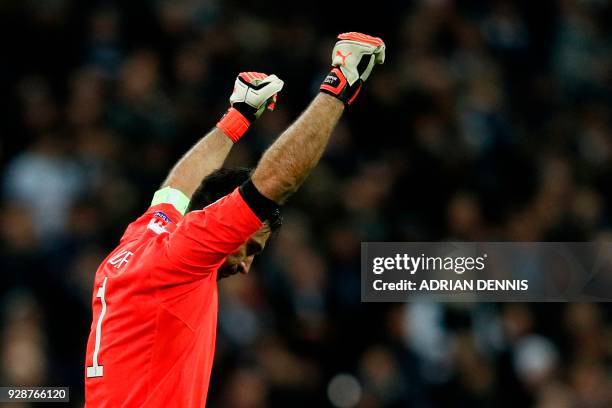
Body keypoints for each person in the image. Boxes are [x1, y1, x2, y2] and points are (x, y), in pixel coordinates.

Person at [84, 32, 385, 407]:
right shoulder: (184, 256)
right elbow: (276, 181)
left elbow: (177, 188)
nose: (246, 266)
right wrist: (340, 84)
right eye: (251, 247)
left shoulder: (143, 237)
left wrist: (237, 119)